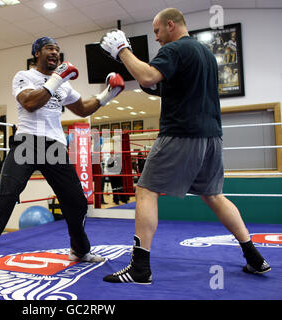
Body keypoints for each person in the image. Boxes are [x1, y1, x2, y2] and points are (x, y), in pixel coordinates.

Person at [99, 8, 270, 284]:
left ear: (170, 25)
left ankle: (140, 268)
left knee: (145, 189)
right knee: (214, 195)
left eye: (157, 31)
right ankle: (254, 257)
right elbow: (165, 86)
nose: (156, 38)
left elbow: (149, 77)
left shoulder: (175, 48)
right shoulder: (205, 54)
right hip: (212, 136)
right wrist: (143, 80)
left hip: (181, 134)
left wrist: (122, 51)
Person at [0, 36, 125, 292]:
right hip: (27, 143)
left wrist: (107, 94)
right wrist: (58, 77)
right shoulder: (24, 76)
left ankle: (79, 251)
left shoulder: (64, 84)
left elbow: (82, 109)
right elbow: (30, 103)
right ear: (37, 53)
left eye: (58, 50)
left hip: (54, 146)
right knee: (5, 199)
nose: (55, 53)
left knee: (77, 202)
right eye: (49, 48)